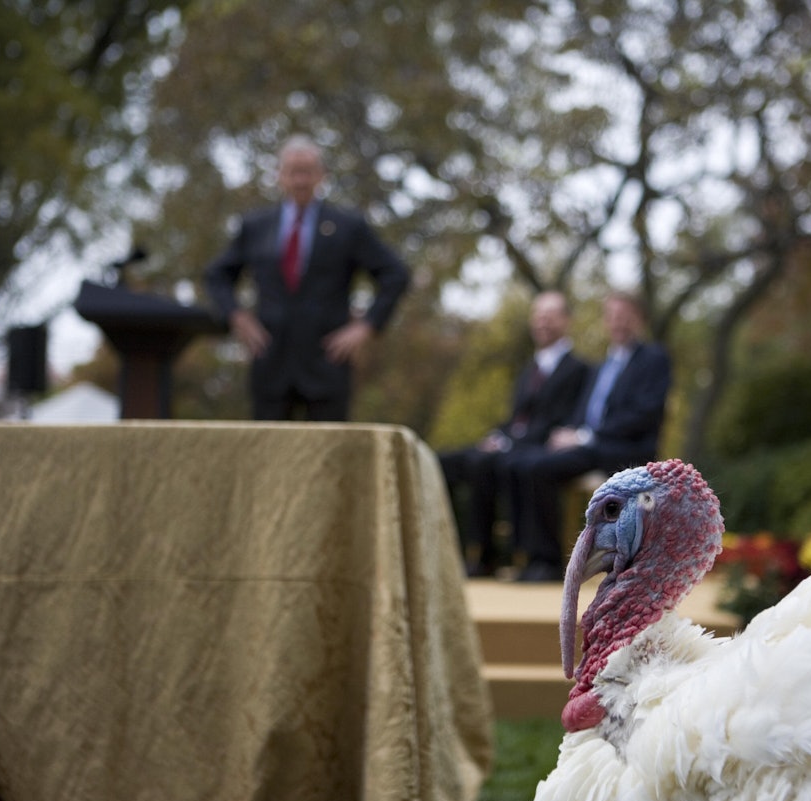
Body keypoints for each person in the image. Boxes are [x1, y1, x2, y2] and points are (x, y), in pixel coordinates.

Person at [205, 134, 410, 421]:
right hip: (270, 362)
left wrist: (366, 326)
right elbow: (217, 275)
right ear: (280, 176)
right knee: (270, 456)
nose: (300, 180)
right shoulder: (255, 226)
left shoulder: (347, 226)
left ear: (321, 176)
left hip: (327, 364)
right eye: (293, 172)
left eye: (307, 172)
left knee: (328, 458)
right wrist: (237, 316)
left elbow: (395, 273)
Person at [511, 291, 672, 582]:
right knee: (523, 462)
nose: (617, 324)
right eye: (612, 317)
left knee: (539, 468)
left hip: (625, 449)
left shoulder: (653, 359)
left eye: (624, 317)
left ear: (639, 320)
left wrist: (587, 435)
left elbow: (644, 414)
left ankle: (548, 561)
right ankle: (527, 554)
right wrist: (568, 433)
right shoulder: (602, 366)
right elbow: (584, 411)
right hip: (591, 445)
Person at [439, 291, 590, 577]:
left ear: (566, 321)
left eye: (550, 315)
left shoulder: (579, 369)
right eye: (538, 315)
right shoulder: (528, 369)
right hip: (511, 444)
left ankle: (529, 558)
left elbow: (559, 421)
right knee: (449, 461)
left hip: (536, 449)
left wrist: (510, 442)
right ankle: (468, 551)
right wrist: (499, 435)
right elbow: (517, 417)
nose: (542, 322)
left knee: (494, 464)